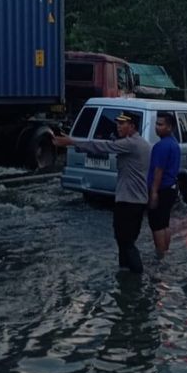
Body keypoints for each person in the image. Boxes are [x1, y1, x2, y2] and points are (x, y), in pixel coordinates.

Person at [53, 112, 150, 274]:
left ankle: (137, 278)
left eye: (122, 124)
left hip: (129, 201)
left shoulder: (131, 144)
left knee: (126, 242)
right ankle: (125, 272)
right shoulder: (141, 143)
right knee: (123, 240)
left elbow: (103, 146)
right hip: (133, 200)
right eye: (117, 123)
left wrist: (72, 142)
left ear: (132, 127)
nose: (118, 126)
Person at [147, 112, 181, 257]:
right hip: (171, 188)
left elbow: (158, 170)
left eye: (160, 125)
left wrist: (153, 193)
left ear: (170, 127)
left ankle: (160, 254)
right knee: (164, 222)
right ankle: (165, 250)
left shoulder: (161, 146)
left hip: (161, 189)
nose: (157, 127)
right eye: (156, 124)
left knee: (157, 224)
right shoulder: (174, 144)